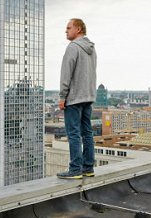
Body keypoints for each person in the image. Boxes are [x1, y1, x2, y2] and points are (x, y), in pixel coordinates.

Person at [57, 18, 97, 179]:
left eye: (68, 28)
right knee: (87, 133)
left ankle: (75, 169)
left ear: (78, 29)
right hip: (88, 96)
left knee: (73, 133)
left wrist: (62, 96)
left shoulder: (73, 48)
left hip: (74, 98)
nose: (66, 31)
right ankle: (88, 167)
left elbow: (66, 74)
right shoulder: (92, 49)